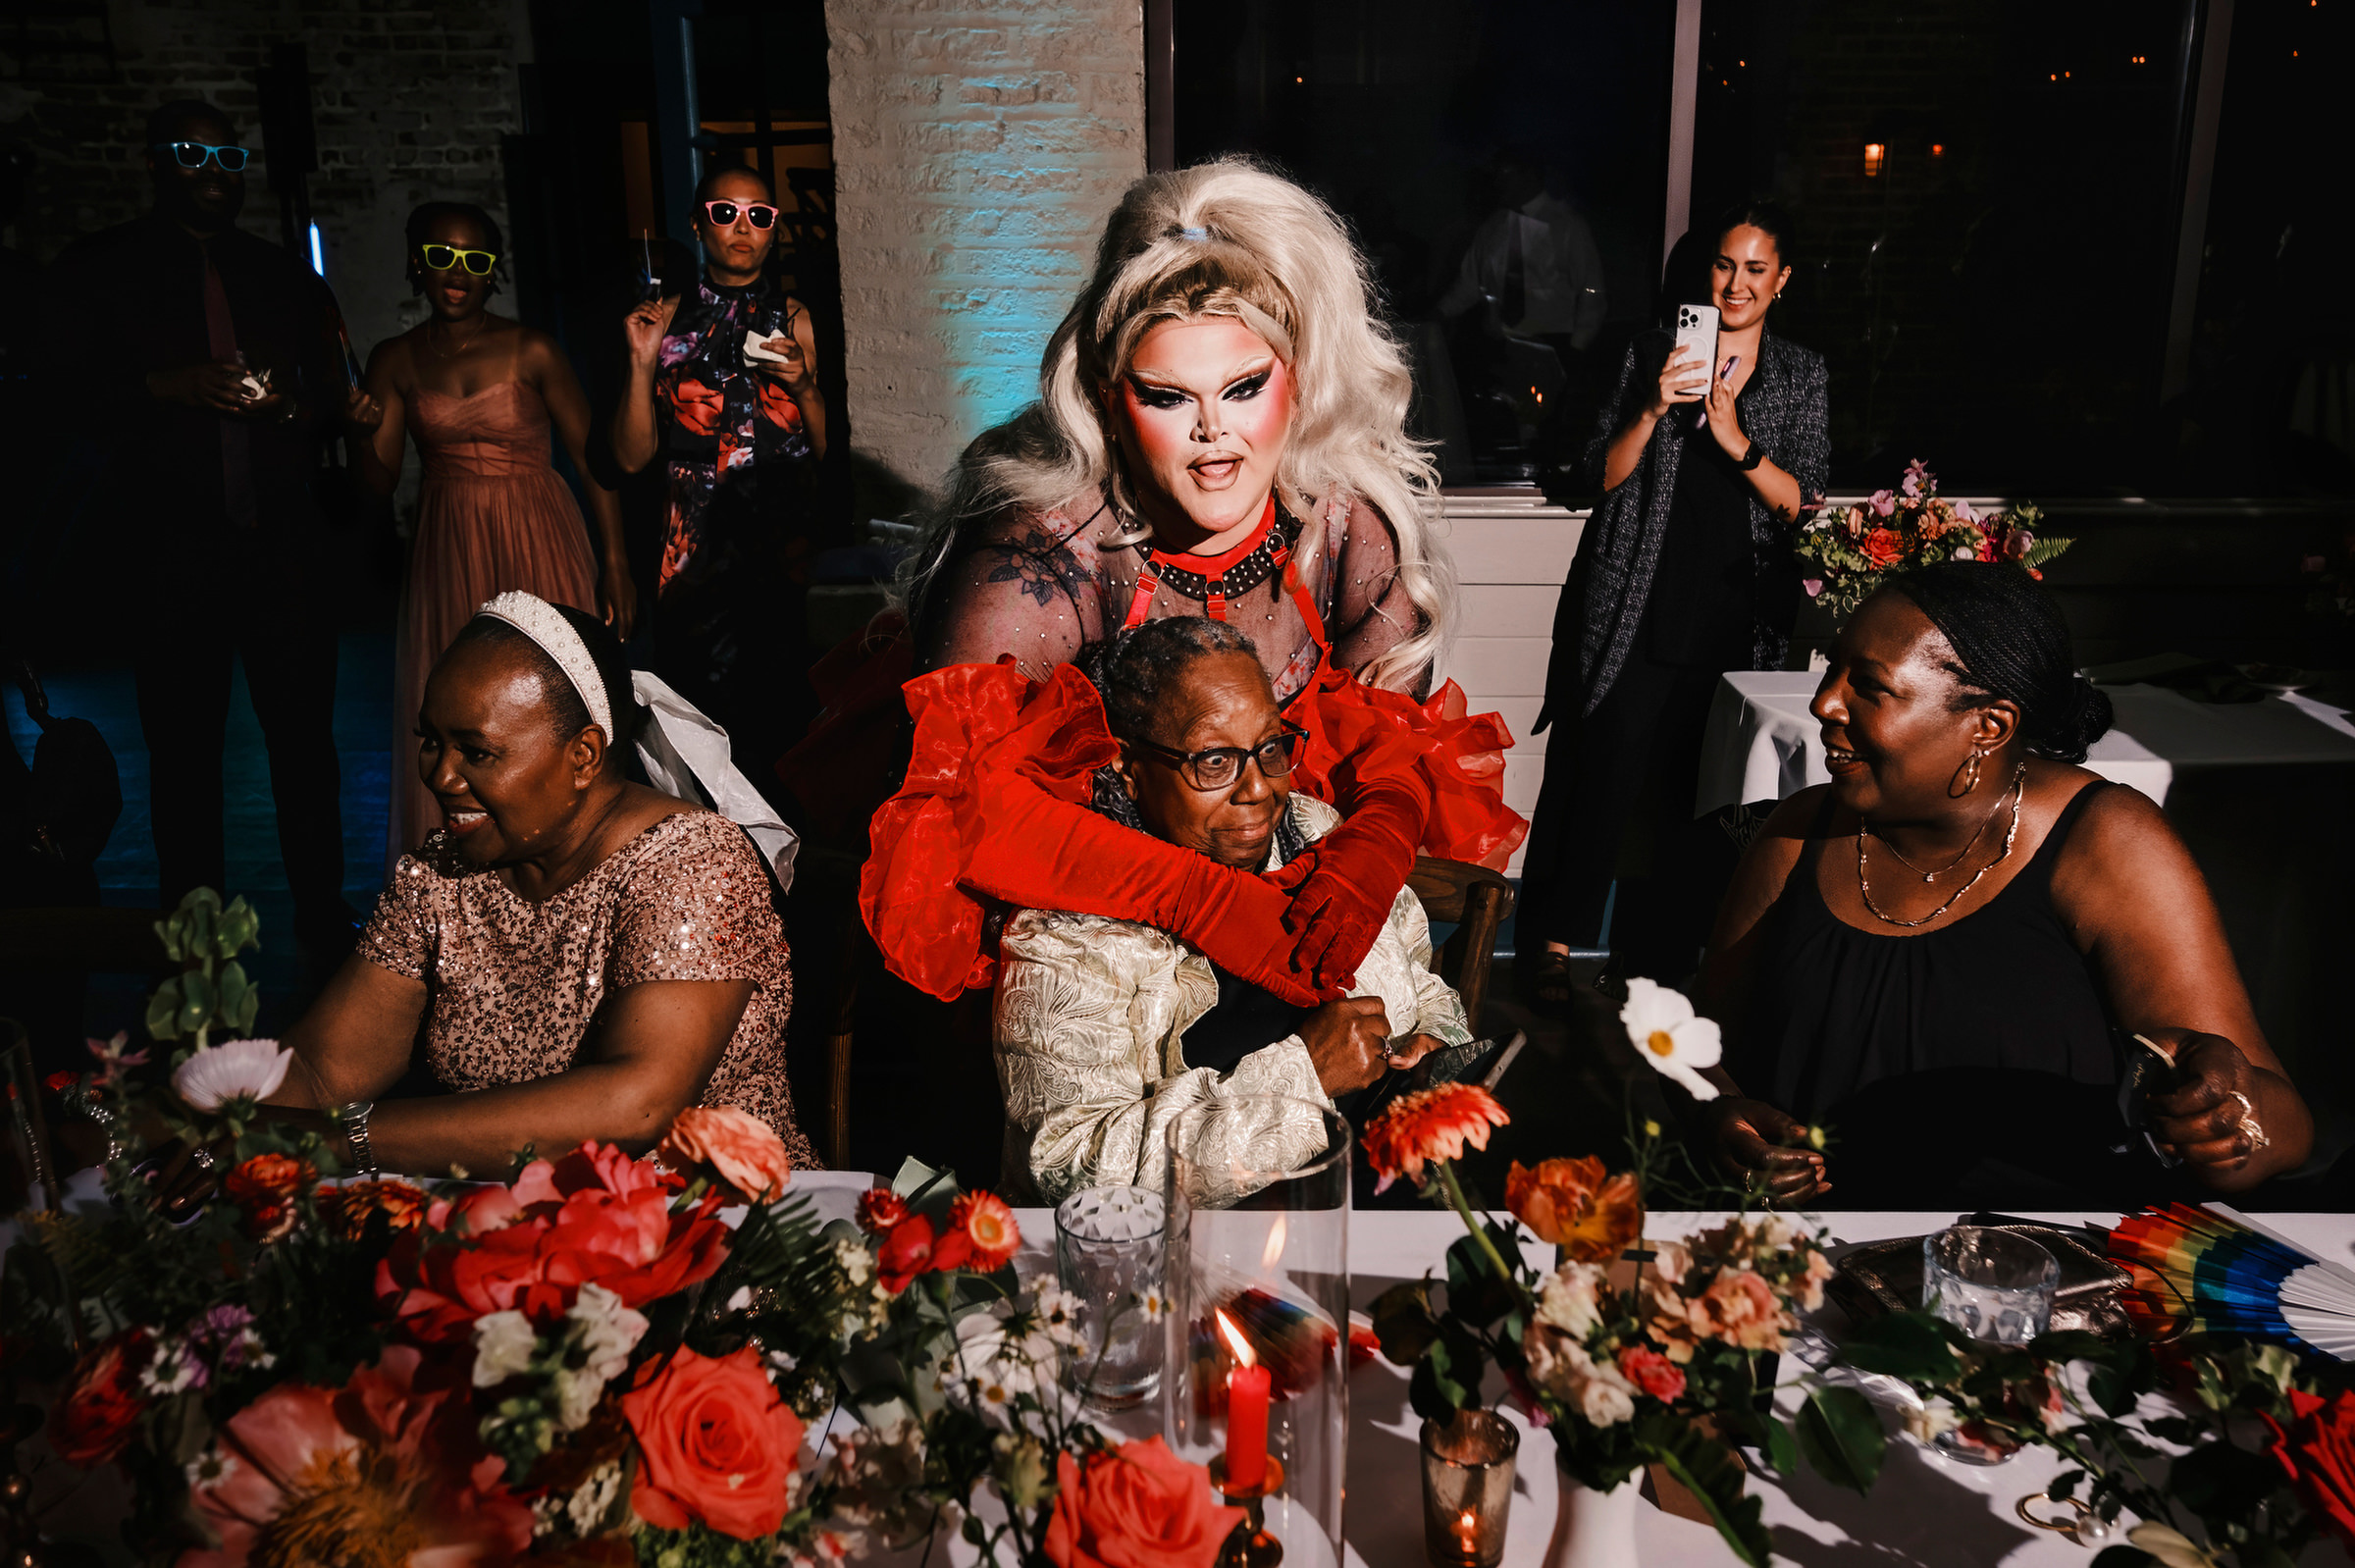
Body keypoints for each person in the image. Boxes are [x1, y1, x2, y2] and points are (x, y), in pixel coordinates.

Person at [864, 161, 1524, 1018]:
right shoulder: (1043, 555)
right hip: (1081, 969)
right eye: (1169, 398)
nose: (1215, 434)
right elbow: (957, 810)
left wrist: (1379, 837)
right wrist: (1199, 899)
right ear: (1110, 399)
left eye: (1245, 388)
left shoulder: (1346, 528)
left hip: (1290, 952)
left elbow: (1392, 740)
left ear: (1299, 378)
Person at [1687, 563, 2312, 1209]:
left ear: (1988, 726)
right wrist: (1719, 1114)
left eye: (1869, 686)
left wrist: (2224, 1118)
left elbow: (2284, 1132)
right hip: (1815, 1263)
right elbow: (1696, 1048)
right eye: (1833, 669)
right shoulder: (1800, 831)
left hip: (2041, 1273)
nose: (1825, 703)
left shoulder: (2105, 844)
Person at [259, 594, 814, 1176]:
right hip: (517, 1224)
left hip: (711, 1219)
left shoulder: (691, 867)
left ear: (583, 756)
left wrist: (336, 1140)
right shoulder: (446, 875)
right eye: (431, 741)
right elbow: (323, 1069)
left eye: (477, 752)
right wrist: (206, 1124)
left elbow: (637, 1105)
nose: (441, 776)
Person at [994, 617, 1469, 1203]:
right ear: (1128, 767)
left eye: (1269, 748)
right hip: (1182, 1263)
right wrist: (1304, 1077)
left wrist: (1431, 1047)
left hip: (1376, 1218)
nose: (1258, 790)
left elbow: (1426, 992)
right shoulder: (1068, 931)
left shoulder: (1318, 836)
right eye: (1214, 761)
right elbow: (1071, 1171)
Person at [42, 101, 362, 964]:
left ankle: (326, 922)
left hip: (283, 547)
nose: (215, 168)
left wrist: (299, 404)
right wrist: (163, 383)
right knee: (182, 755)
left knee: (305, 744)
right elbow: (51, 398)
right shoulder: (95, 270)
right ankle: (195, 937)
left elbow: (337, 393)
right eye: (192, 152)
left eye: (229, 153)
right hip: (166, 551)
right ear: (154, 162)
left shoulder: (284, 275)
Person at [1518, 199, 1828, 1006]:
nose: (1736, 283)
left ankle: (1656, 962)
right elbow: (1595, 479)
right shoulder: (1649, 352)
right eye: (1725, 265)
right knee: (1600, 773)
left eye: (1755, 270)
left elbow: (1805, 501)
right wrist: (1654, 407)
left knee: (1706, 794)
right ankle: (1551, 950)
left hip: (1741, 614)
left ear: (1781, 280)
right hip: (1633, 602)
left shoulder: (1800, 375)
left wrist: (1737, 442)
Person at [348, 201, 635, 864]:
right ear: (417, 263)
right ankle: (468, 882)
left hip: (539, 528)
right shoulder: (394, 359)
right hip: (450, 542)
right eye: (442, 256)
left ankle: (571, 863)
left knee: (556, 699)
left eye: (475, 261)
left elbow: (595, 460)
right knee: (460, 707)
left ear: (492, 275)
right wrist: (360, 434)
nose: (458, 272)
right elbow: (377, 485)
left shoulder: (530, 348)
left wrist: (615, 560)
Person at [614, 164, 829, 787]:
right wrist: (637, 362)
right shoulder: (661, 322)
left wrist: (804, 385)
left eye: (759, 216)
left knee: (783, 723)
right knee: (697, 735)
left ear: (773, 231)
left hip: (780, 551)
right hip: (693, 556)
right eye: (725, 212)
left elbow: (824, 449)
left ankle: (785, 872)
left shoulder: (795, 319)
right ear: (697, 223)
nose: (743, 227)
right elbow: (629, 459)